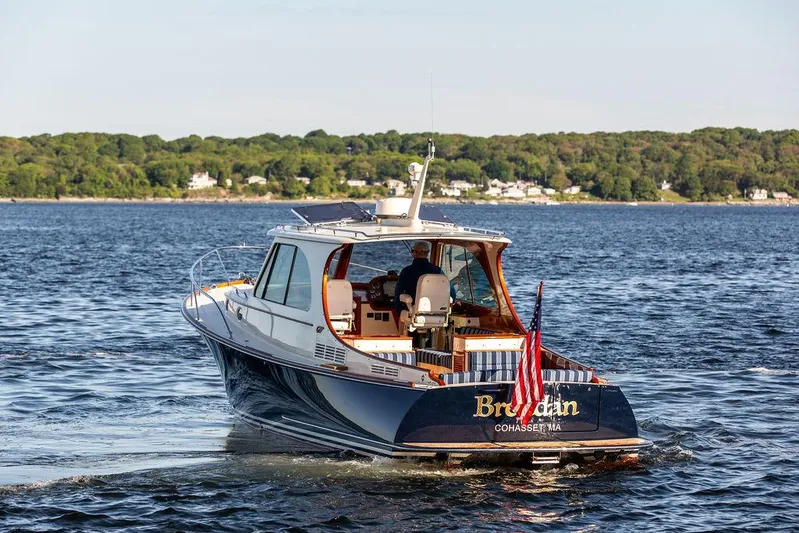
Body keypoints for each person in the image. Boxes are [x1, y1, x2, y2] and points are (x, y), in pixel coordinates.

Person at [394, 241, 456, 318]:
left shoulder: (406, 271)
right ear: (427, 253)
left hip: (415, 313)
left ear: (414, 253)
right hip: (437, 313)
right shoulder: (438, 271)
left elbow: (398, 294)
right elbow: (451, 290)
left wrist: (399, 311)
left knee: (401, 317)